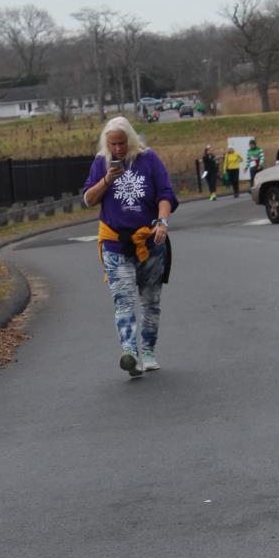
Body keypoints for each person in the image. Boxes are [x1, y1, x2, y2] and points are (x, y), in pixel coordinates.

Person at [83, 116, 178, 378]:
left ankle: (148, 351)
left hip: (150, 241)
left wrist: (162, 223)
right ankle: (130, 354)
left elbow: (166, 194)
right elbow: (88, 199)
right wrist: (106, 180)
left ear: (131, 139)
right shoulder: (101, 163)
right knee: (123, 301)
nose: (118, 149)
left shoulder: (149, 159)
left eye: (122, 143)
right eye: (113, 144)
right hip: (116, 244)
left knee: (150, 301)